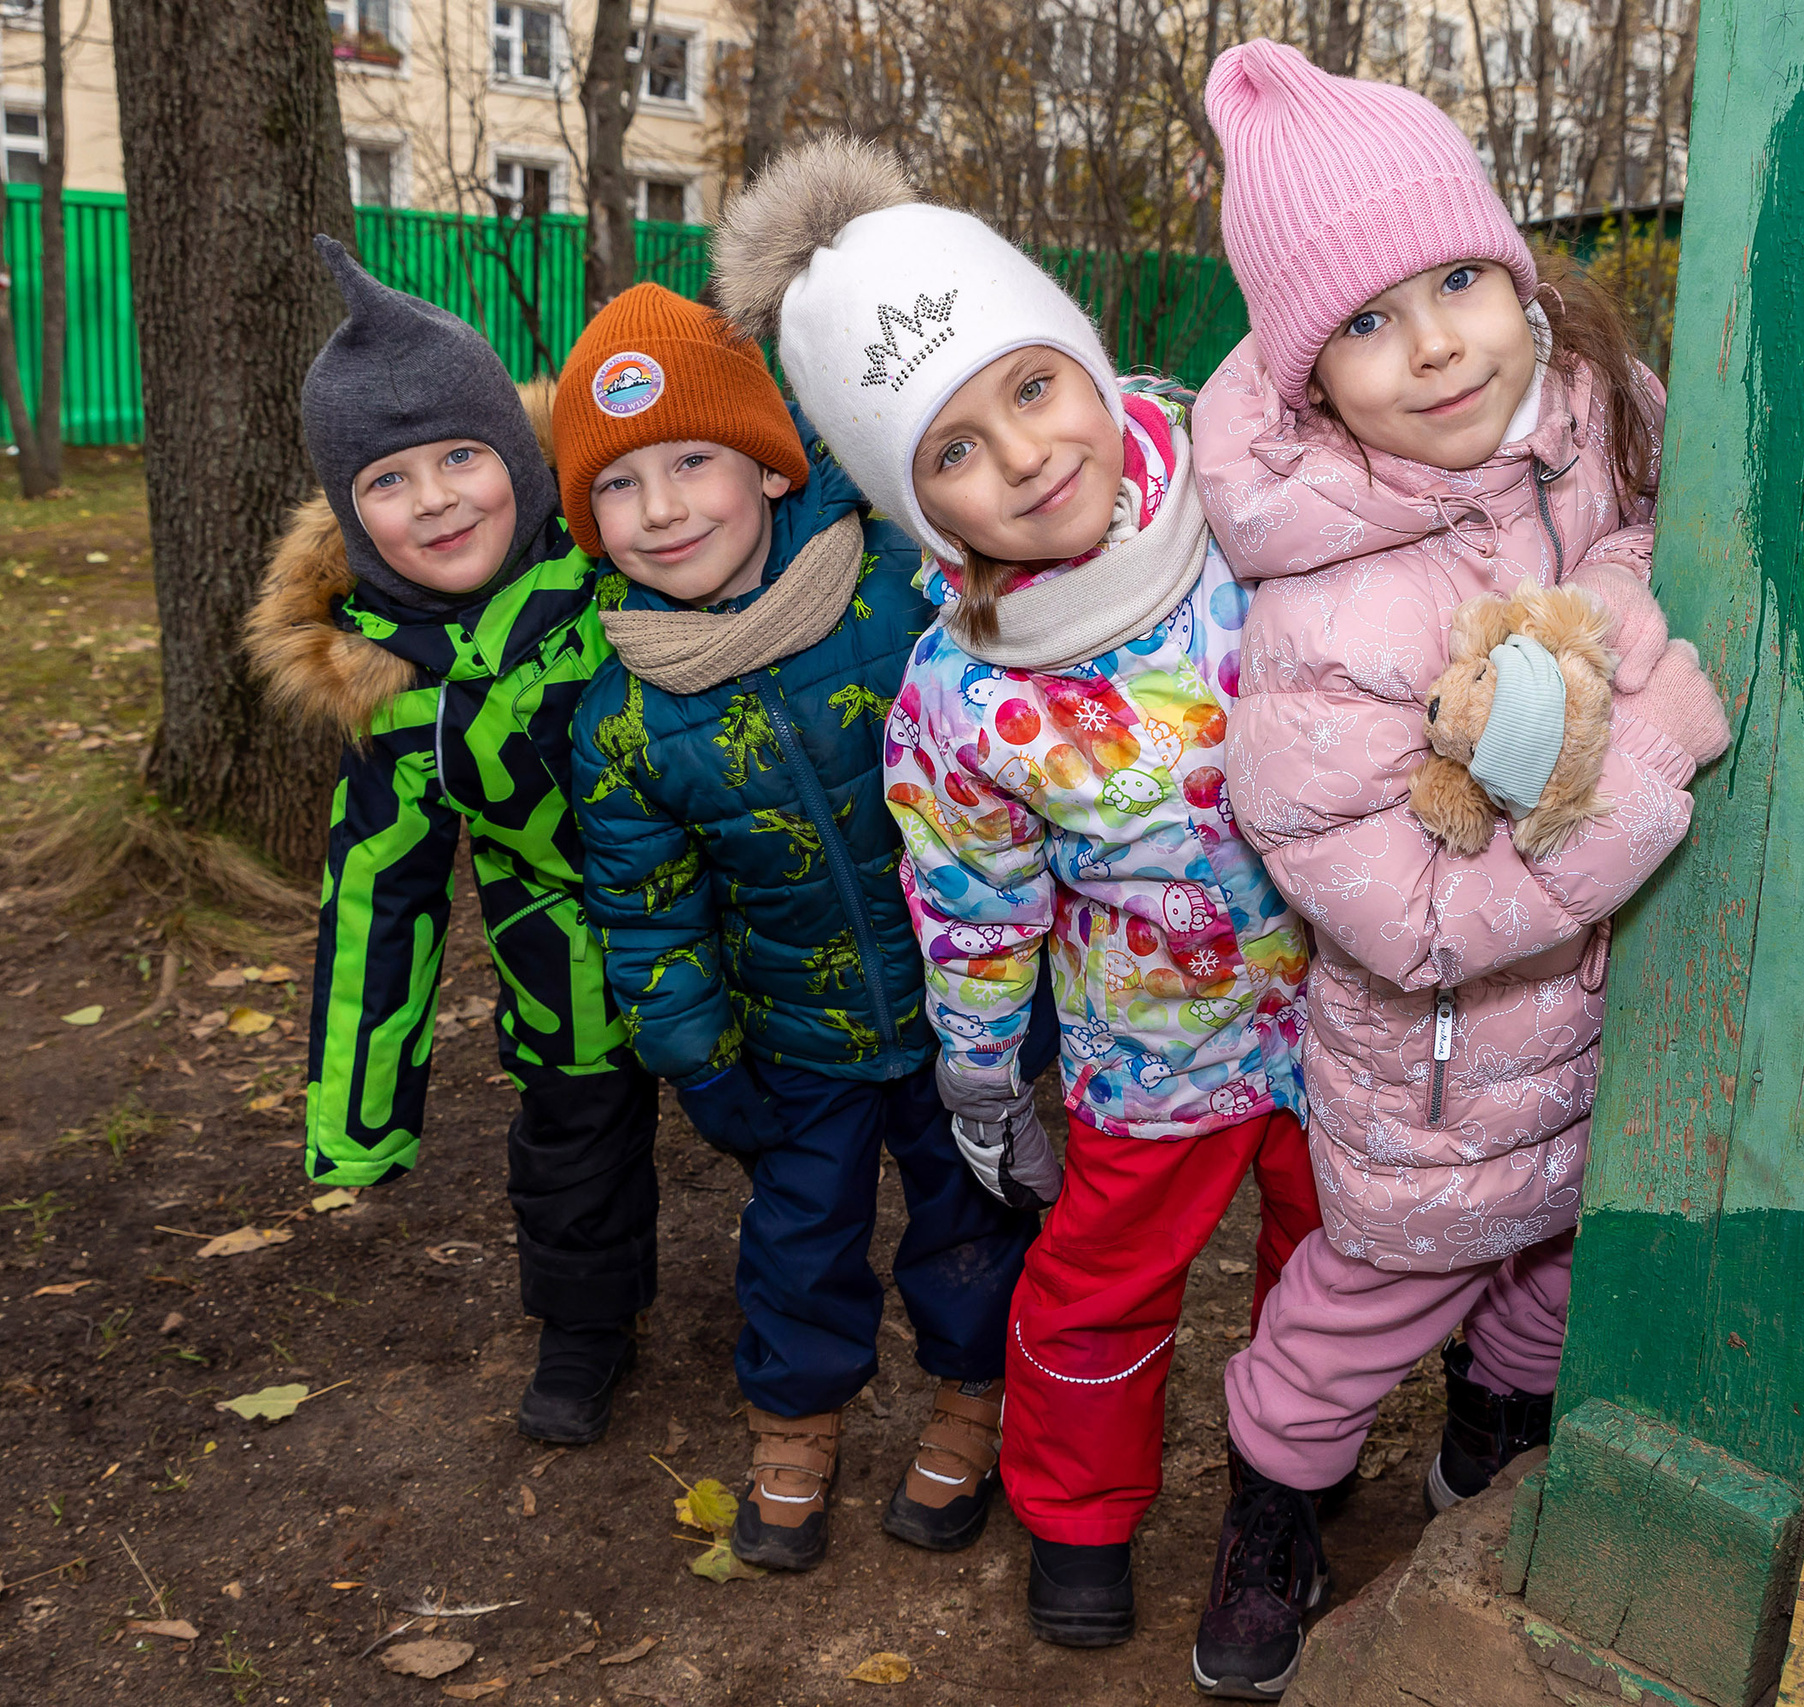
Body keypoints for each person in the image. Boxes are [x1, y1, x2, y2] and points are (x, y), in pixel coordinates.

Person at [710, 140, 1317, 1648]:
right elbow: (974, 900)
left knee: (1329, 1267)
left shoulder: (1258, 508)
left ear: (1089, 364)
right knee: (1103, 1289)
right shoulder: (963, 693)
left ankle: (1287, 1491)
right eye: (954, 449)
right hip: (1150, 1049)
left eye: (1032, 388)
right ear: (920, 511)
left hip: (1347, 1009)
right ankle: (1078, 1513)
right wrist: (986, 1071)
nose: (1027, 455)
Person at [1182, 42, 1733, 1699]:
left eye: (1456, 280)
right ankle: (1278, 1501)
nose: (1431, 342)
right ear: (1305, 381)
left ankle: (1492, 1446)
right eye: (1362, 320)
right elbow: (1403, 919)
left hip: (1623, 1027)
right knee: (1360, 1309)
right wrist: (1639, 769)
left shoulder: (1606, 422)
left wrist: (1624, 624)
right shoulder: (1314, 616)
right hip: (1439, 1075)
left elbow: (1649, 572)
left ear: (1513, 267)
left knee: (1567, 1280)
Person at [560, 283, 1036, 1573]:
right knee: (796, 1243)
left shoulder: (902, 591)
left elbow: (1026, 750)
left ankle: (970, 1397)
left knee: (972, 1221)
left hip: (965, 1011)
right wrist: (699, 1060)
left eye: (693, 462)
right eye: (618, 486)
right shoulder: (618, 715)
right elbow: (642, 910)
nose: (659, 510)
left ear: (771, 466)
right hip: (794, 1038)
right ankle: (795, 1418)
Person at [246, 237, 659, 1453]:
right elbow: (376, 900)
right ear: (350, 514)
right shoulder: (395, 688)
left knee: (796, 1128)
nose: (434, 500)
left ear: (520, 456)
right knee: (573, 1143)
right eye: (387, 481)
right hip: (563, 952)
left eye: (461, 457)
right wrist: (358, 1115)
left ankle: (817, 1336)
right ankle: (587, 1328)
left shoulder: (625, 550)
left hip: (732, 917)